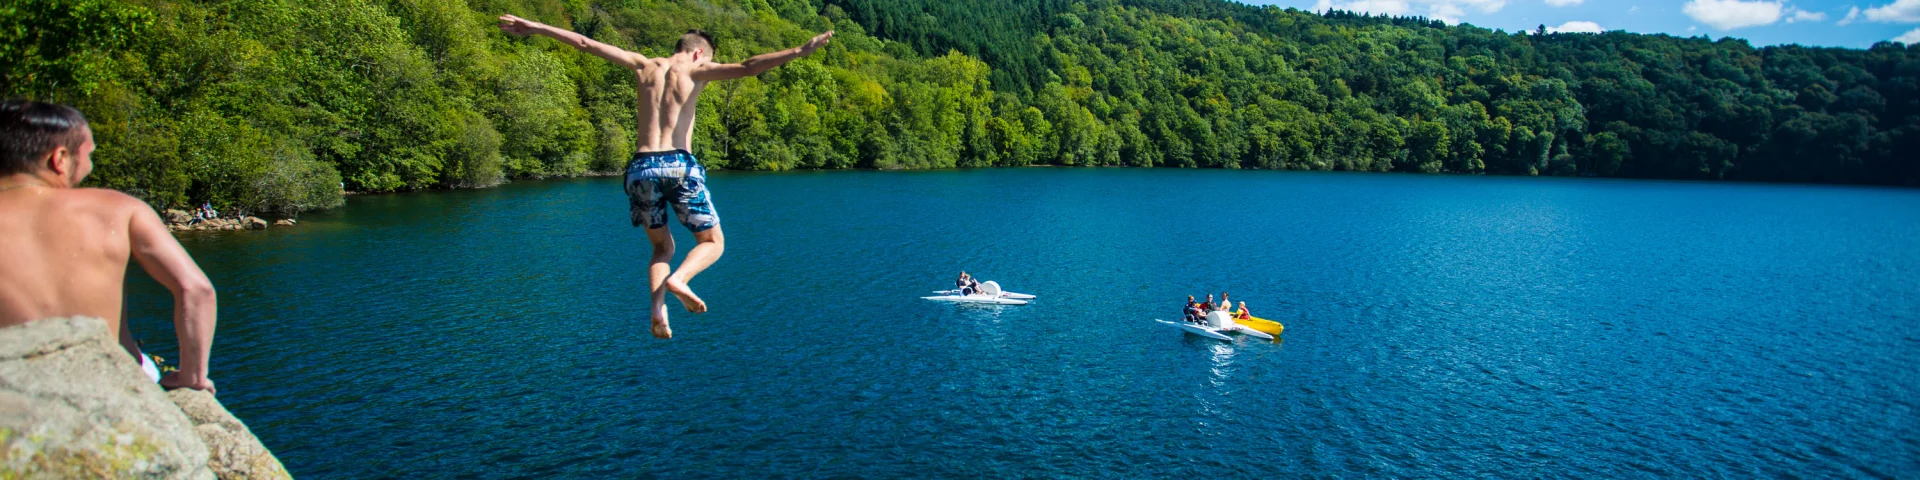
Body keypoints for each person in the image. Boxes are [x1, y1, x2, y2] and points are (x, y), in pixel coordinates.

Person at [498, 15, 833, 339]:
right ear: (699, 52)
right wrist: (801, 51)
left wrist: (537, 27)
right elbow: (749, 66)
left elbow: (586, 43)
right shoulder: (697, 69)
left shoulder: (642, 64)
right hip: (678, 165)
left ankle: (658, 309)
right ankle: (681, 280)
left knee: (661, 248)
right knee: (713, 243)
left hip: (641, 168)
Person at [0, 100, 217, 394]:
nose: (90, 165)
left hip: (16, 389)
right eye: (89, 155)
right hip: (111, 386)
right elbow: (196, 290)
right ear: (60, 158)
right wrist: (193, 377)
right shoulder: (118, 209)